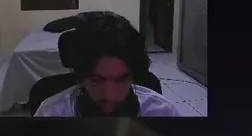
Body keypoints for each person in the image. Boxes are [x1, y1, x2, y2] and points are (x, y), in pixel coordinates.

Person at [35, 12, 182, 117]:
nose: (110, 96)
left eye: (121, 79)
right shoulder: (50, 113)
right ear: (81, 75)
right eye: (96, 80)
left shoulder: (163, 112)